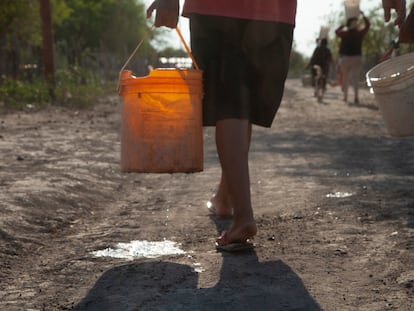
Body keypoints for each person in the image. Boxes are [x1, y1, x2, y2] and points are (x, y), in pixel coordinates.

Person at [147, 0, 297, 251]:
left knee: (229, 103)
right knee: (242, 105)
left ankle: (243, 216)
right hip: (275, 12)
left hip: (217, 8)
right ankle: (224, 198)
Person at [335, 11, 370, 104]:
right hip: (356, 58)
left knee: (346, 78)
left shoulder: (344, 33)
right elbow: (367, 26)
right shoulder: (359, 33)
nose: (356, 23)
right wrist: (363, 15)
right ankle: (355, 97)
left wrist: (342, 26)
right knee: (355, 78)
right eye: (355, 21)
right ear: (353, 23)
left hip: (346, 59)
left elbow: (336, 32)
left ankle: (346, 97)